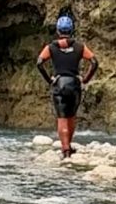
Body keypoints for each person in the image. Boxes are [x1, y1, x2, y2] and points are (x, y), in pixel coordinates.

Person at [37, 15, 98, 160]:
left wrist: (49, 79)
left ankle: (65, 150)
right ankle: (69, 145)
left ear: (58, 31)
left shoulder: (51, 47)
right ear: (72, 30)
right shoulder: (79, 47)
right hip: (74, 83)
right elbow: (94, 62)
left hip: (59, 83)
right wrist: (86, 79)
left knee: (62, 118)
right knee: (71, 117)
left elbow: (39, 63)